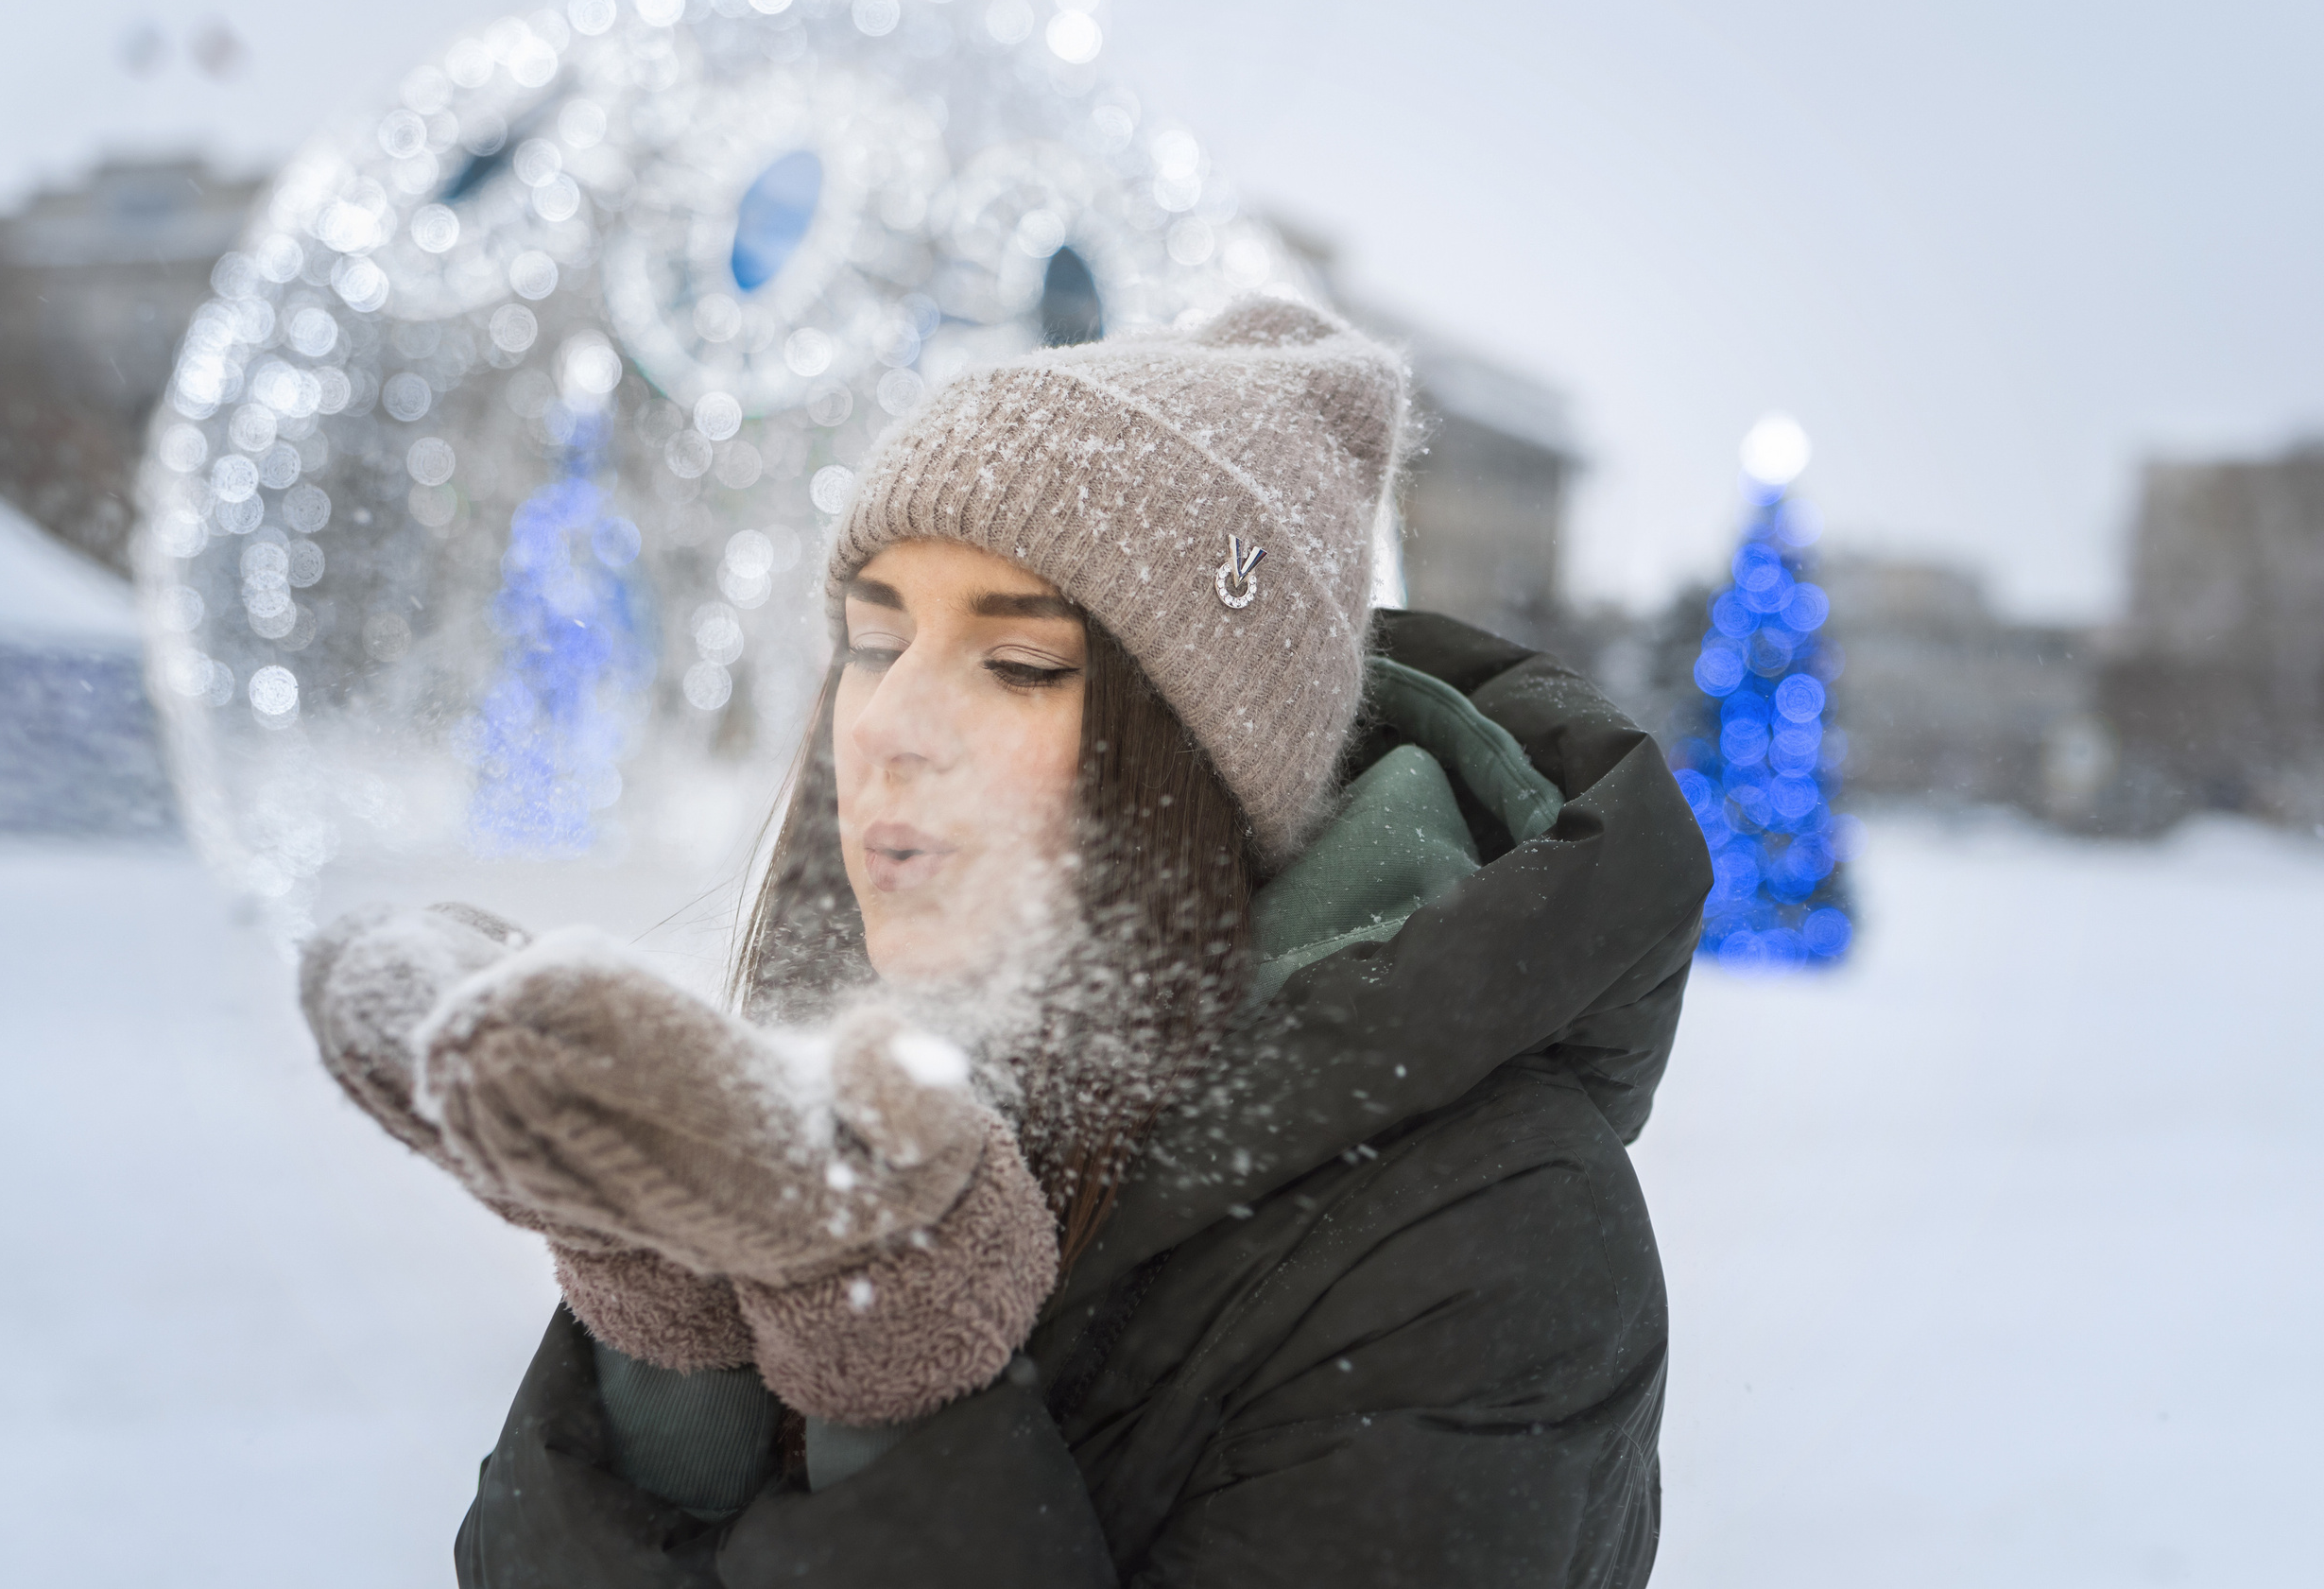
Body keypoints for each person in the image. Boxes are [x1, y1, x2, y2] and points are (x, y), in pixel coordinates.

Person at [301, 299, 1712, 1587]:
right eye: (870, 640)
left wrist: (896, 1363)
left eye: (1022, 661)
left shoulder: (1498, 1246)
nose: (888, 725)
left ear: (1206, 767)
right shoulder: (860, 1082)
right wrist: (670, 1326)